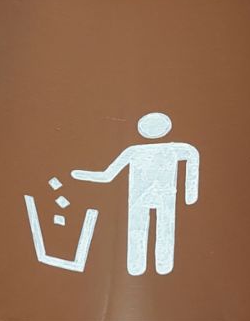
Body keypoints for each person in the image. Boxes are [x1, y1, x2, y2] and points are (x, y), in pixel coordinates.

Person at [71, 112, 199, 276]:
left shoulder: (138, 151)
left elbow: (107, 175)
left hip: (150, 196)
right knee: (158, 229)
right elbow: (193, 154)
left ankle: (146, 265)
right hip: (153, 196)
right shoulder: (168, 149)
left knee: (148, 229)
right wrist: (190, 194)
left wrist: (191, 193)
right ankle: (154, 265)